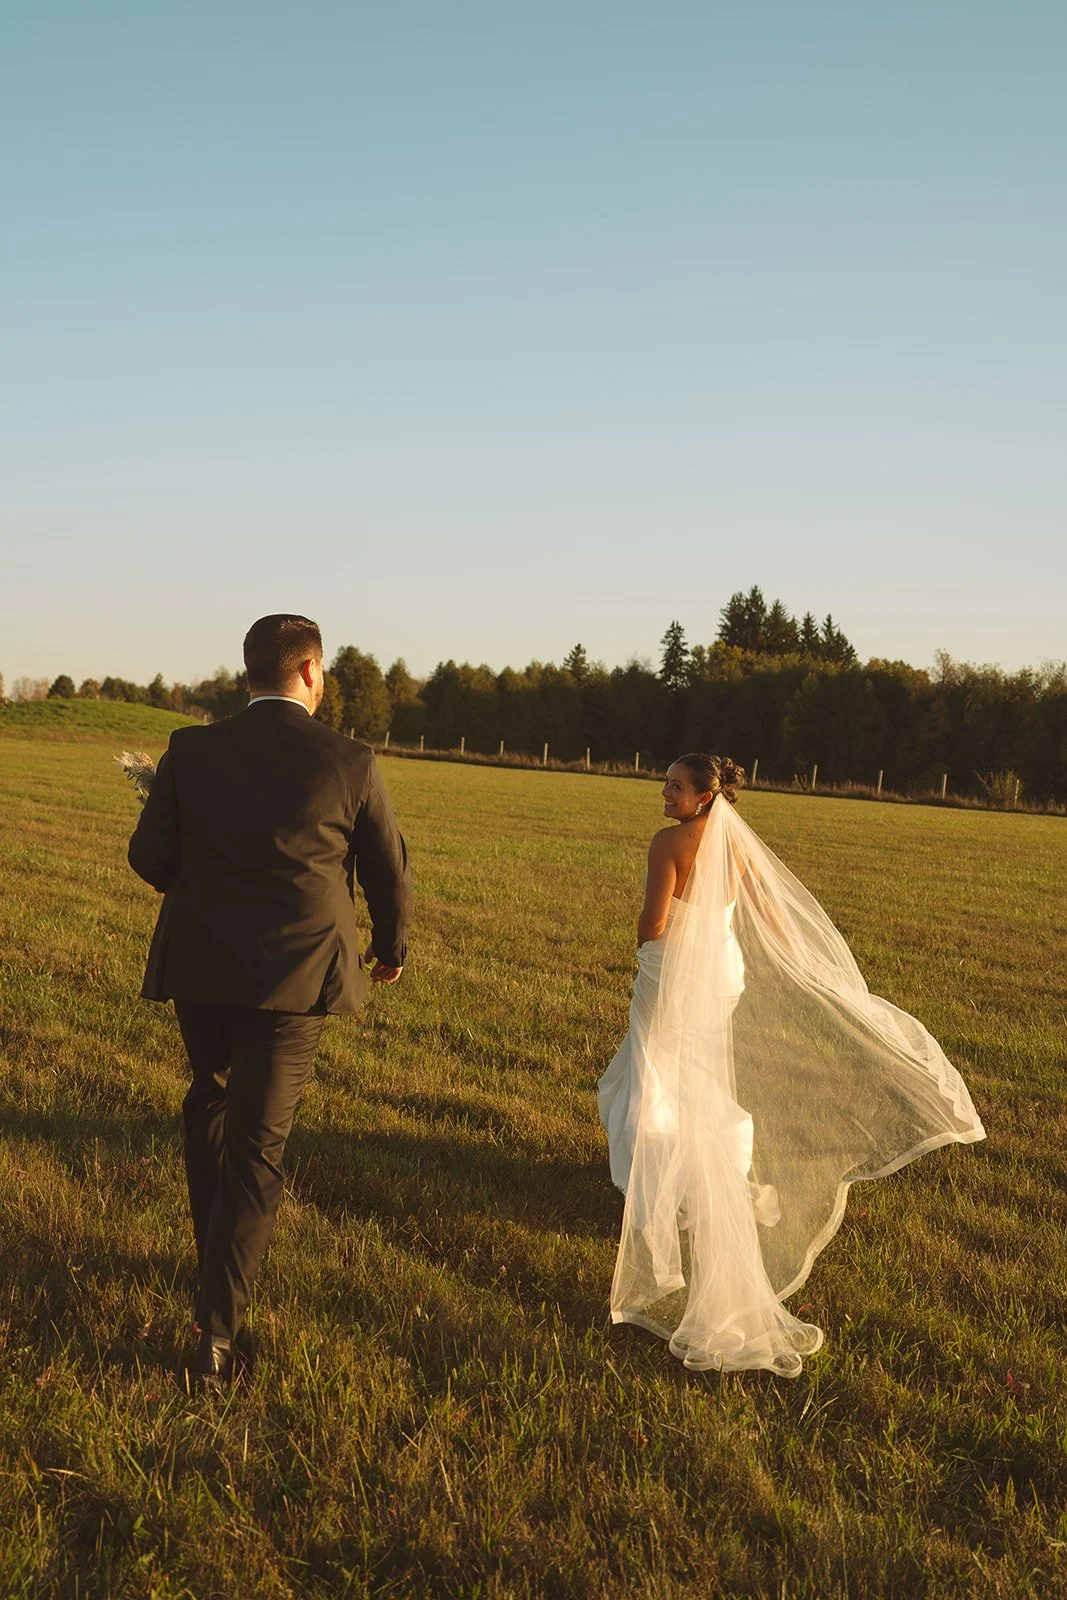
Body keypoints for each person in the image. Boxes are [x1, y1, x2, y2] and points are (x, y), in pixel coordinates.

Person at [598, 753, 985, 1377]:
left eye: (674, 786)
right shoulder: (737, 846)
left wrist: (647, 946)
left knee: (654, 1081)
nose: (663, 792)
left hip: (671, 973)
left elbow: (653, 922)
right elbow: (770, 917)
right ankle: (712, 1180)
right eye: (665, 783)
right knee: (700, 1081)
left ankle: (658, 1202)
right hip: (722, 973)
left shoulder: (667, 843)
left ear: (702, 797)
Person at [128, 614, 410, 1393]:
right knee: (258, 1148)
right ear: (311, 671)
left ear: (249, 671)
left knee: (211, 1103)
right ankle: (214, 1333)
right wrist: (391, 949)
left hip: (201, 966)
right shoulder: (349, 758)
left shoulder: (191, 749)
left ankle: (213, 1259)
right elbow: (387, 869)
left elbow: (149, 855)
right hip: (296, 976)